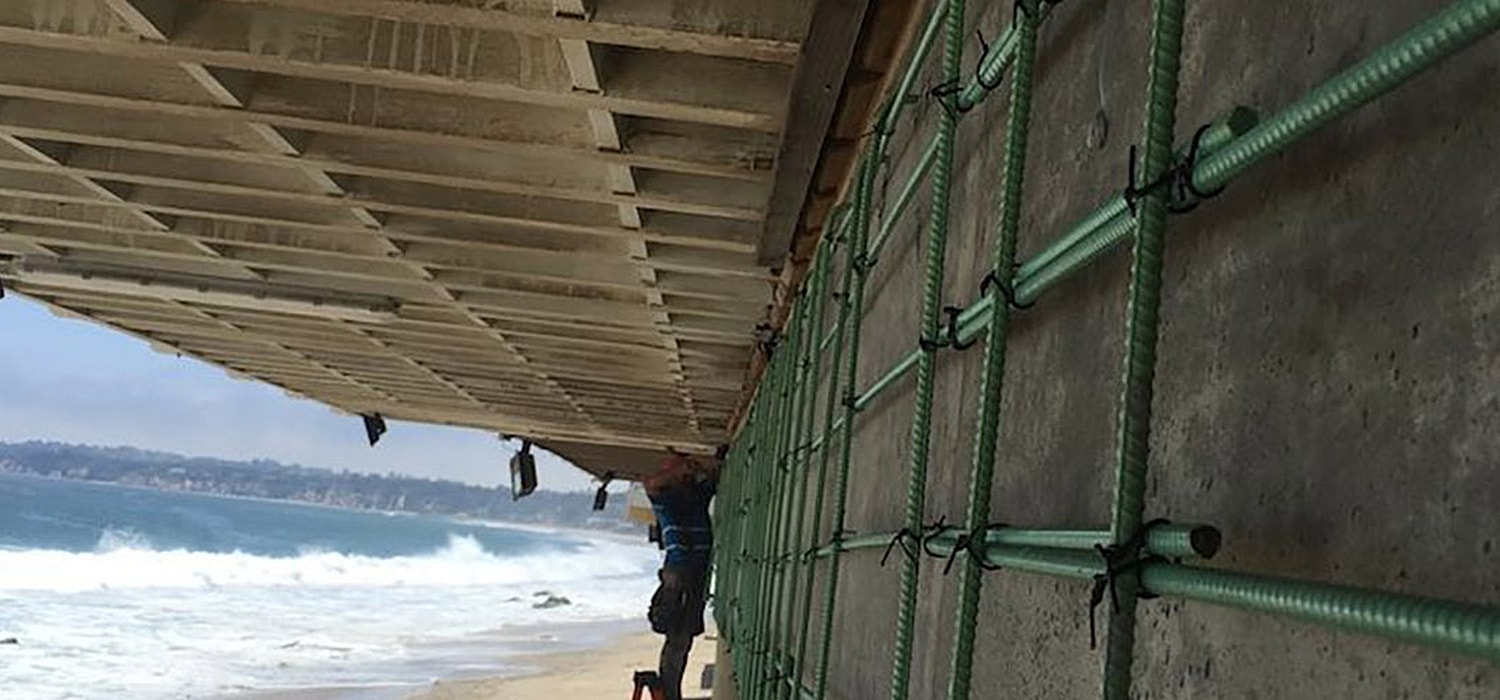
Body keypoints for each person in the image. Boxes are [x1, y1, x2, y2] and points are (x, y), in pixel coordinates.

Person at [644, 452, 718, 700]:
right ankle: (668, 691)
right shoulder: (667, 501)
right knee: (677, 637)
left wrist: (698, 469)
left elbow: (713, 478)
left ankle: (669, 689)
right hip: (679, 575)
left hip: (693, 575)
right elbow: (651, 484)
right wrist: (679, 470)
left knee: (681, 639)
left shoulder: (695, 497)